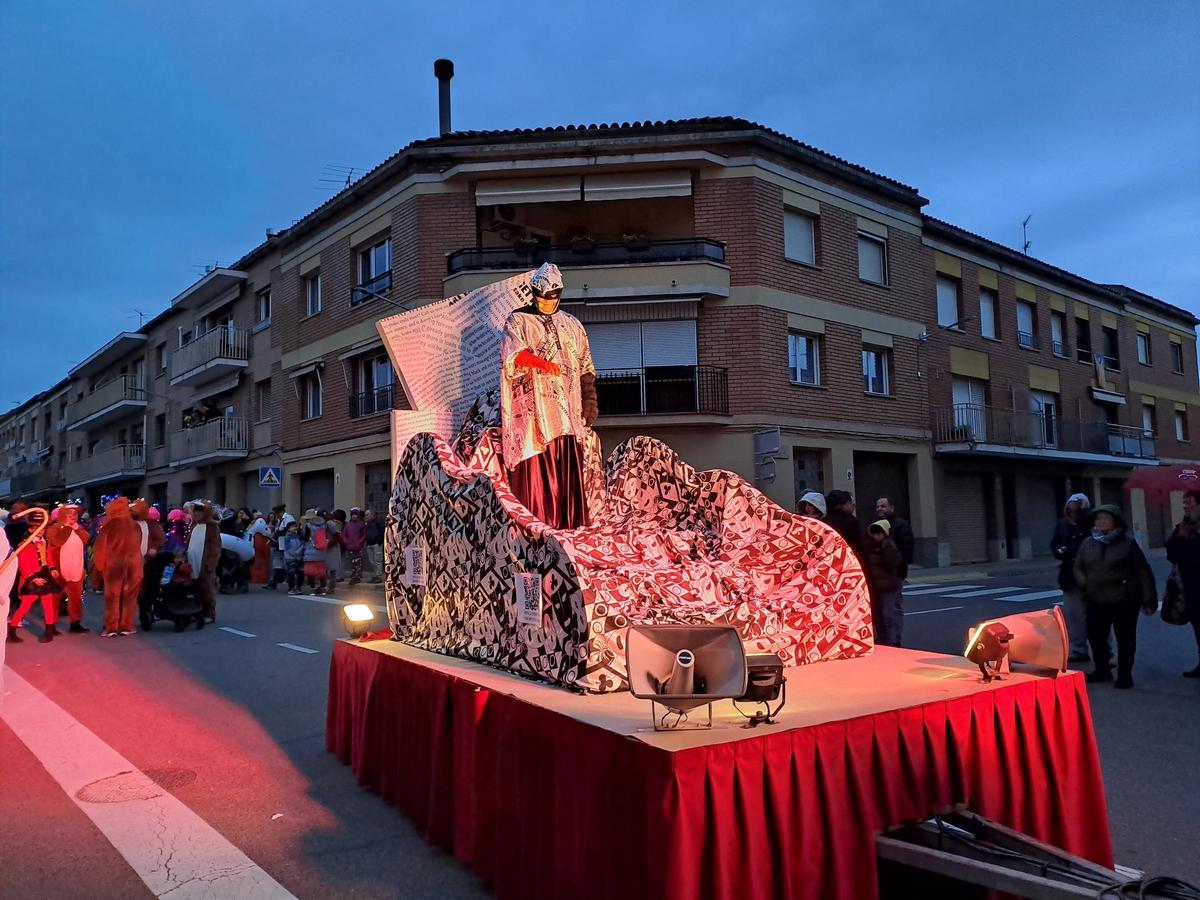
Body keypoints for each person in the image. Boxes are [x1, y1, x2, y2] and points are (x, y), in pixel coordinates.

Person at [499, 262, 599, 529]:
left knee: (567, 469)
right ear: (534, 294)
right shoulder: (518, 320)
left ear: (559, 295)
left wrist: (589, 399)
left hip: (568, 415)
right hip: (533, 415)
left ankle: (569, 529)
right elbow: (512, 355)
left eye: (551, 297)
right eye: (541, 297)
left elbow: (585, 366)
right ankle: (534, 530)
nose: (545, 303)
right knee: (535, 474)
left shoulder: (573, 325)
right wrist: (540, 363)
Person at [1073, 504, 1157, 689]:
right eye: (1098, 519)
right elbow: (1078, 566)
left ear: (1115, 522)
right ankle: (1102, 670)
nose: (1101, 522)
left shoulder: (1127, 543)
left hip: (1124, 599)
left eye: (1106, 519)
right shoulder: (1089, 543)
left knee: (1125, 638)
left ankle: (1124, 675)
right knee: (1096, 636)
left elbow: (1143, 571)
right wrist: (1084, 582)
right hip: (1096, 598)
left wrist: (1149, 597)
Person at [91, 497, 145, 637]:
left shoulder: (108, 526)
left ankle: (111, 627)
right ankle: (127, 626)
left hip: (114, 565)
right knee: (130, 597)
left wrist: (100, 567)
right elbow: (138, 544)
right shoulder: (135, 525)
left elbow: (100, 549)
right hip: (134, 564)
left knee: (112, 597)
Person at [1051, 493, 1093, 662]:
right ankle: (1078, 649)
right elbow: (1054, 543)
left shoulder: (1090, 524)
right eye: (1071, 511)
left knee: (1095, 616)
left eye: (1077, 511)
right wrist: (1059, 550)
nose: (1073, 514)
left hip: (1090, 575)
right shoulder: (1062, 524)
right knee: (1074, 615)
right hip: (1069, 575)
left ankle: (1104, 652)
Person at [1166, 489, 1200, 678]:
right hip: (1192, 585)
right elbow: (1172, 553)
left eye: (1190, 503)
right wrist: (1181, 534)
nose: (1186, 506)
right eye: (1184, 503)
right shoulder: (1184, 526)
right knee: (1198, 625)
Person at [45, 501, 90, 633]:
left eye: (75, 514)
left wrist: (78, 529)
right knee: (55, 597)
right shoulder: (55, 528)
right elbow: (56, 541)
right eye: (70, 514)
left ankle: (75, 622)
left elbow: (86, 540)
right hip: (58, 569)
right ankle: (51, 624)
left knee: (76, 597)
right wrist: (68, 528)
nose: (73, 516)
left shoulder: (78, 528)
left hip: (76, 567)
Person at [864, 519, 905, 647]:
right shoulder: (870, 546)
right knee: (878, 616)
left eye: (879, 533)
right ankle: (883, 640)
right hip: (875, 586)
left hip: (889, 586)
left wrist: (885, 548)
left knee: (888, 615)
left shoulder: (889, 546)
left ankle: (892, 641)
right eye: (874, 533)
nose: (876, 536)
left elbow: (894, 562)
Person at [187, 503, 223, 623]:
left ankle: (209, 613)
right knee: (194, 587)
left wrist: (211, 562)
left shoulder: (212, 527)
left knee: (206, 588)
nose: (196, 514)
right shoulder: (194, 526)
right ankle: (196, 611)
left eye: (200, 511)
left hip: (205, 563)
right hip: (192, 562)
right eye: (195, 511)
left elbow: (215, 547)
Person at [874, 497, 914, 576]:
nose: (879, 509)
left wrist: (901, 564)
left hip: (896, 569)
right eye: (877, 507)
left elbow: (907, 547)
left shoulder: (901, 525)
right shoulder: (875, 525)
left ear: (892, 508)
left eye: (883, 506)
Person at [824, 490, 865, 560]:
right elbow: (858, 546)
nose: (853, 506)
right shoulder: (850, 521)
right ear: (845, 504)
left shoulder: (824, 521)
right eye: (851, 503)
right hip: (848, 560)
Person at [302, 510, 329, 594]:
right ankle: (322, 587)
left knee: (310, 571)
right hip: (321, 551)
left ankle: (312, 588)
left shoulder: (308, 526)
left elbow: (305, 538)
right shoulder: (323, 525)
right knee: (321, 571)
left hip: (311, 550)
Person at [342, 508, 367, 585]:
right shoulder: (348, 525)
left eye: (356, 515)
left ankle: (357, 576)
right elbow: (344, 535)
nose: (354, 516)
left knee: (358, 561)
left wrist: (360, 542)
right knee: (352, 562)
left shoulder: (361, 524)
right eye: (353, 515)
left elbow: (364, 535)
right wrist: (346, 542)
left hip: (358, 546)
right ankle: (354, 574)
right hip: (350, 546)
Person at [245, 512, 271, 584]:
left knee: (256, 565)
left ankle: (256, 579)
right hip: (260, 549)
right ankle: (260, 579)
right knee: (260, 564)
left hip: (255, 548)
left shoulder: (254, 532)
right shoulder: (262, 535)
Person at [281, 522, 305, 594]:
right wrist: (296, 554)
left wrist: (299, 553)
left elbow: (302, 545)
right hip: (290, 558)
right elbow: (288, 549)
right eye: (292, 527)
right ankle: (291, 588)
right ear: (288, 528)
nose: (294, 528)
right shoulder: (287, 537)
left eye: (295, 526)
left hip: (299, 557)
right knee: (291, 573)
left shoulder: (298, 536)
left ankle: (298, 587)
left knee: (300, 573)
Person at [364, 509, 384, 583]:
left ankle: (378, 576)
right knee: (372, 561)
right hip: (369, 544)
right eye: (365, 515)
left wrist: (379, 541)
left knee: (378, 560)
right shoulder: (367, 523)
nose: (366, 516)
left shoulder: (378, 521)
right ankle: (375, 575)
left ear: (372, 515)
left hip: (376, 544)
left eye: (367, 514)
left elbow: (382, 532)